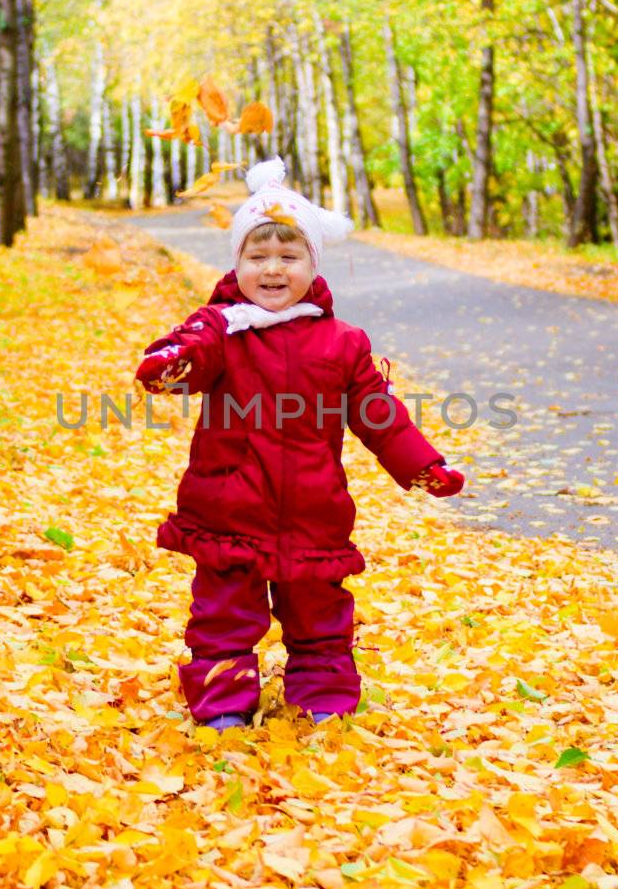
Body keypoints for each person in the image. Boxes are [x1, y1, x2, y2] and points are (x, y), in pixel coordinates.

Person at [135, 156, 466, 731]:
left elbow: (379, 416)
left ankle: (323, 700)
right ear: (237, 263)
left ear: (313, 265)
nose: (271, 269)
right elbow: (183, 362)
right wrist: (171, 361)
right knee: (222, 619)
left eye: (288, 257)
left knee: (320, 617)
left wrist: (422, 466)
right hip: (228, 512)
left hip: (313, 514)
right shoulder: (219, 329)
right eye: (257, 256)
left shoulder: (342, 343)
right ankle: (223, 707)